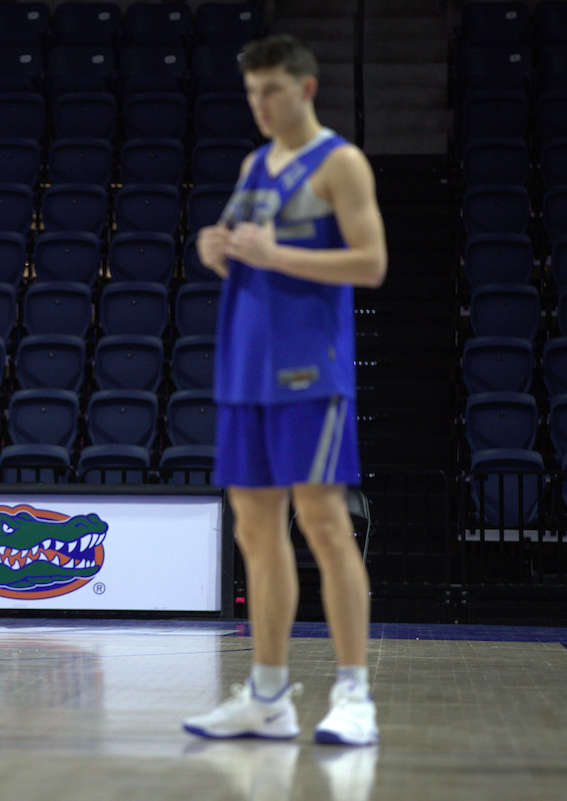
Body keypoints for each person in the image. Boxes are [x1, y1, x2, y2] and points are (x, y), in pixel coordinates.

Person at [181, 35, 387, 746]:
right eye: (250, 92)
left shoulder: (341, 163)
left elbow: (372, 262)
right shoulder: (251, 164)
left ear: (306, 88)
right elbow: (253, 256)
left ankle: (354, 694)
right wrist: (220, 252)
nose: (259, 105)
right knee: (254, 532)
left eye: (271, 90)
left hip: (309, 371)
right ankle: (268, 696)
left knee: (324, 524)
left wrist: (276, 254)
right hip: (245, 369)